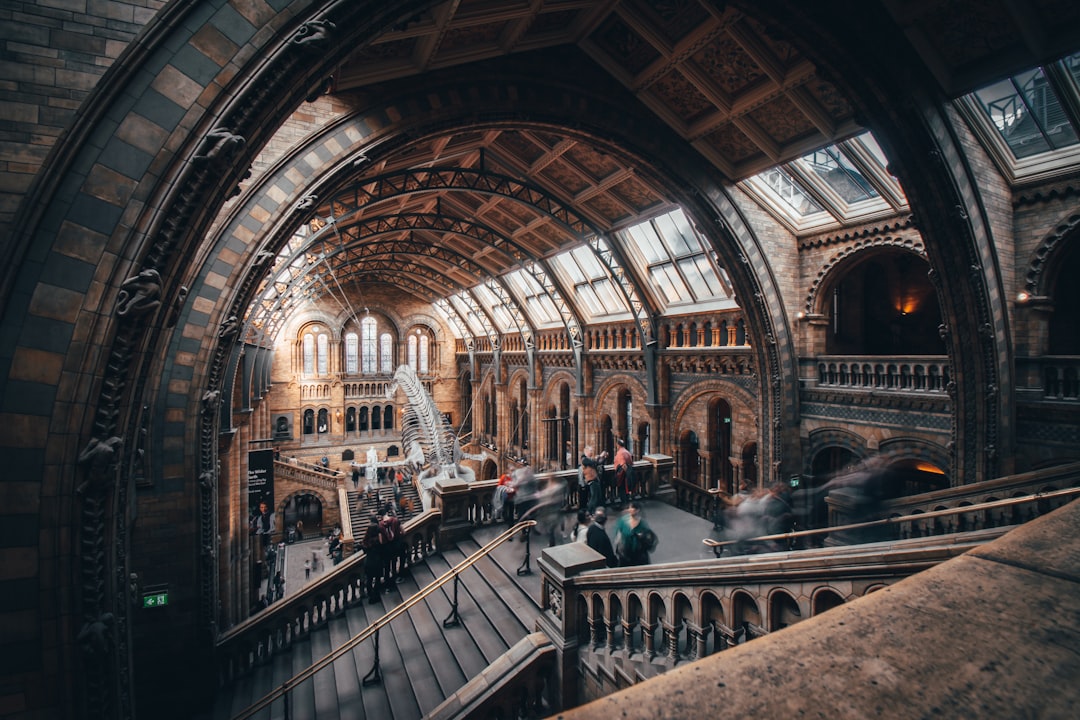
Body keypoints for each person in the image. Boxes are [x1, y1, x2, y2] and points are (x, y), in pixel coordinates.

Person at [614, 501, 656, 567]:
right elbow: (618, 536)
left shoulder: (642, 524)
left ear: (637, 510)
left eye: (632, 508)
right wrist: (619, 548)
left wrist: (642, 536)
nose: (629, 509)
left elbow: (649, 537)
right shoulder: (623, 521)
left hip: (639, 555)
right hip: (626, 554)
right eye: (629, 507)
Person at [362, 517, 384, 603]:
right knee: (377, 579)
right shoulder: (378, 541)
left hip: (368, 563)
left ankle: (371, 596)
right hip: (377, 562)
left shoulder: (366, 541)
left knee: (369, 580)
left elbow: (364, 550)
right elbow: (382, 548)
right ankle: (376, 595)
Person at [581, 446, 607, 514]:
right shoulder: (584, 459)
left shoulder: (590, 459)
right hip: (591, 480)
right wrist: (599, 456)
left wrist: (603, 457)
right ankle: (589, 512)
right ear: (586, 452)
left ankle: (595, 511)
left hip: (595, 479)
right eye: (590, 451)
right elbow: (593, 462)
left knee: (598, 496)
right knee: (594, 497)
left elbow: (598, 462)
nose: (592, 452)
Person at [613, 439, 633, 504]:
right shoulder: (627, 452)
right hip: (627, 474)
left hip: (622, 475)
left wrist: (624, 474)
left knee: (622, 489)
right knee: (626, 489)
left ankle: (624, 503)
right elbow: (631, 463)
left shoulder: (620, 453)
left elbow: (624, 465)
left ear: (618, 445)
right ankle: (626, 500)